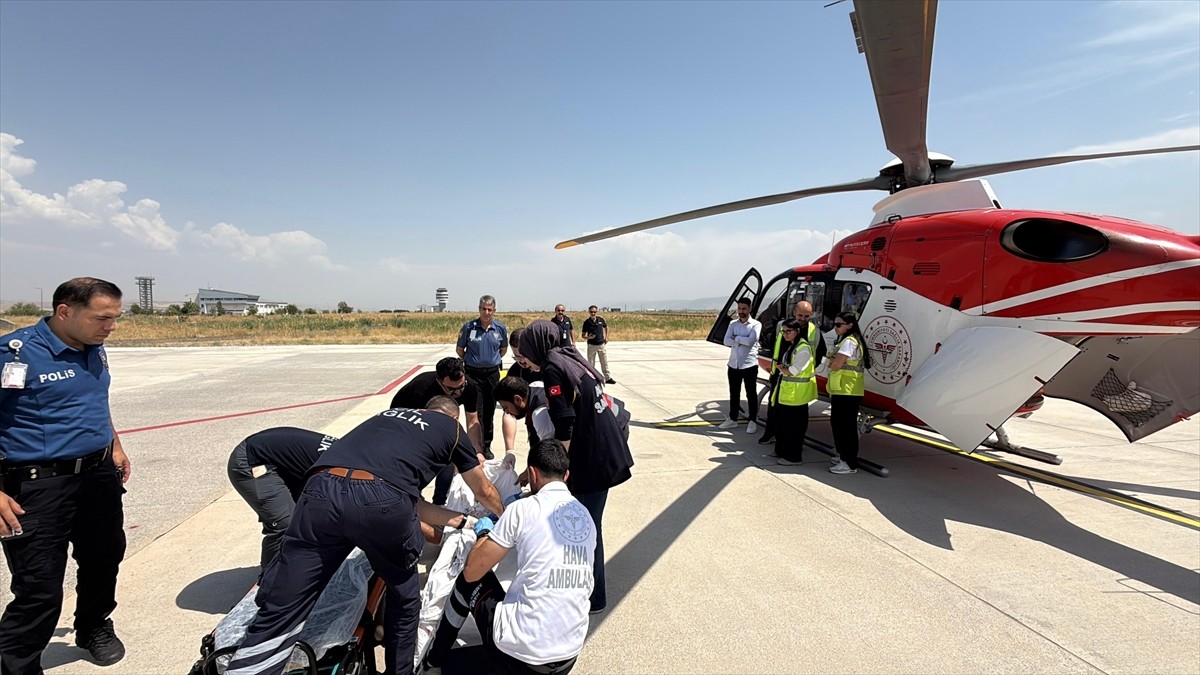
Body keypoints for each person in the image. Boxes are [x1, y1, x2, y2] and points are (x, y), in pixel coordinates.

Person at [225, 397, 504, 675]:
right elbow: (483, 491)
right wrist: (507, 516)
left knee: (287, 600)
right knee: (404, 597)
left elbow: (402, 497)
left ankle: (248, 665)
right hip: (381, 503)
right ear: (453, 419)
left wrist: (464, 521)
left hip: (321, 489)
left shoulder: (389, 416)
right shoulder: (452, 429)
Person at [0, 277, 132, 672]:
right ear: (64, 312)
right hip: (38, 486)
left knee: (104, 558)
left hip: (97, 477)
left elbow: (94, 399)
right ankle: (18, 664)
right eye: (102, 318)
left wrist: (115, 444)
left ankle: (93, 626)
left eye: (115, 318)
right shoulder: (14, 354)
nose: (111, 327)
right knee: (39, 587)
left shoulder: (94, 348)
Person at [421, 439, 595, 675]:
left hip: (521, 660)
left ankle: (433, 662)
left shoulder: (523, 509)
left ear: (532, 474)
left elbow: (474, 569)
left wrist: (484, 531)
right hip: (568, 655)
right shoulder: (585, 517)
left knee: (468, 580)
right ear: (566, 476)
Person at [518, 321, 633, 614]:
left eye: (525, 352)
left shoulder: (553, 368)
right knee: (589, 526)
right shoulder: (569, 358)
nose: (524, 359)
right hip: (603, 452)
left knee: (586, 529)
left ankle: (594, 599)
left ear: (536, 346)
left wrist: (556, 472)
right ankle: (591, 593)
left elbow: (565, 424)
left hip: (592, 460)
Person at [226, 427, 339, 575]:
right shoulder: (345, 471)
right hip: (253, 462)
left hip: (281, 460)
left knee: (315, 519)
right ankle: (270, 582)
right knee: (286, 525)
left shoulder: (356, 461)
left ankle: (295, 567)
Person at [391, 357, 486, 506]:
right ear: (439, 382)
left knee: (449, 457)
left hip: (439, 417)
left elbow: (473, 421)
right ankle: (414, 499)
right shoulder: (420, 390)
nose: (457, 393)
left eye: (460, 387)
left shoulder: (470, 387)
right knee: (418, 462)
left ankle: (439, 502)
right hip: (406, 420)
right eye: (451, 389)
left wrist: (477, 452)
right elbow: (414, 431)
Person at [759, 301, 826, 444]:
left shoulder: (814, 331)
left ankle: (794, 441)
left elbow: (820, 352)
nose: (803, 318)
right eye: (800, 315)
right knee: (774, 406)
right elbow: (772, 345)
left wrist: (806, 368)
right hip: (779, 374)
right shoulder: (781, 327)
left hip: (799, 379)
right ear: (793, 313)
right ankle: (771, 433)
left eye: (806, 316)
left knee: (798, 413)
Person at [457, 295, 509, 459]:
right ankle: (474, 446)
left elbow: (503, 350)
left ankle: (486, 446)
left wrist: (490, 360)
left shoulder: (499, 328)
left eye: (489, 309)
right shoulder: (468, 327)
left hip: (492, 375)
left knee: (489, 411)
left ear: (494, 310)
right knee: (474, 411)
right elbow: (460, 350)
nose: (486, 312)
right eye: (483, 309)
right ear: (479, 309)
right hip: (473, 374)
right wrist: (472, 361)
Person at [827, 312, 872, 475]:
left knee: (846, 426)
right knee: (838, 423)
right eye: (835, 324)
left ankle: (849, 462)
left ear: (850, 325)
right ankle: (842, 455)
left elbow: (836, 364)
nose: (835, 327)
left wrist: (832, 362)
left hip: (848, 390)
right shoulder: (846, 341)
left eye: (839, 324)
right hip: (843, 389)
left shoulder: (849, 342)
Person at [769, 320, 818, 466]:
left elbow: (794, 371)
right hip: (788, 393)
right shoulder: (792, 346)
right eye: (783, 332)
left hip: (797, 396)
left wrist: (782, 369)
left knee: (794, 427)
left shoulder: (803, 349)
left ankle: (793, 457)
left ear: (797, 331)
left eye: (788, 331)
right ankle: (782, 450)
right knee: (782, 424)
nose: (785, 334)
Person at [720, 297, 762, 435]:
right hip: (733, 364)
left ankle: (752, 421)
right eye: (739, 308)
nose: (741, 311)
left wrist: (736, 338)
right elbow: (726, 341)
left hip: (749, 365)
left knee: (751, 393)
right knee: (734, 392)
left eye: (744, 309)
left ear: (750, 309)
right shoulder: (733, 324)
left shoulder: (756, 325)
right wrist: (740, 340)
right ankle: (733, 418)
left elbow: (751, 341)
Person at [495, 375, 554, 453]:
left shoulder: (539, 415)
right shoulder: (535, 386)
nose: (507, 412)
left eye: (506, 407)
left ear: (517, 399)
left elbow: (551, 451)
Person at [579, 306, 615, 385]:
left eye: (594, 312)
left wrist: (607, 337)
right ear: (589, 312)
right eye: (591, 312)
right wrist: (589, 337)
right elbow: (583, 335)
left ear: (596, 312)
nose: (593, 313)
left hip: (601, 344)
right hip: (592, 345)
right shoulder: (587, 322)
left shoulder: (600, 320)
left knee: (604, 362)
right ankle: (592, 378)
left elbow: (606, 327)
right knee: (591, 363)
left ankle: (607, 377)